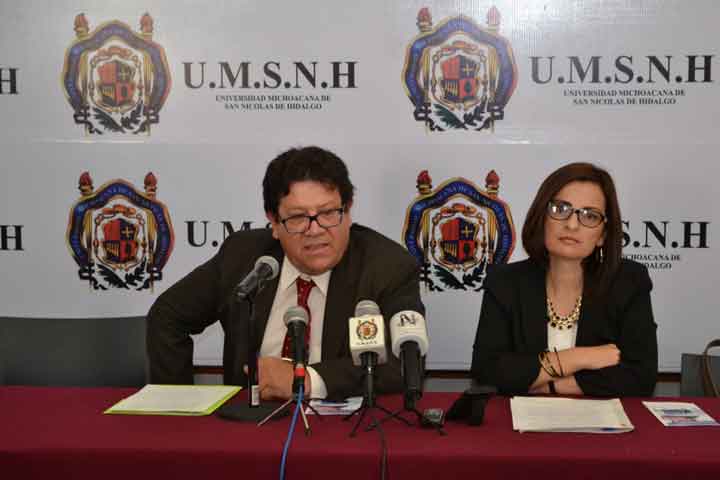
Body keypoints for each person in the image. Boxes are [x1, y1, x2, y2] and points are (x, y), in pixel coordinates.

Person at [147, 146, 423, 401]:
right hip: (249, 425)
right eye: (298, 217)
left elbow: (405, 364)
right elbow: (167, 316)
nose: (315, 230)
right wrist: (177, 404)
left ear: (348, 211)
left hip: (339, 429)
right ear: (274, 222)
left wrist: (307, 380)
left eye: (328, 212)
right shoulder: (243, 257)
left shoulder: (387, 267)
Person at [472, 162, 657, 397]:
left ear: (602, 235)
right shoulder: (505, 282)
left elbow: (641, 377)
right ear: (542, 218)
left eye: (590, 215)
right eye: (560, 209)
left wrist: (547, 384)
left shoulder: (629, 282)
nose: (572, 224)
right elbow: (487, 369)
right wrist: (579, 358)